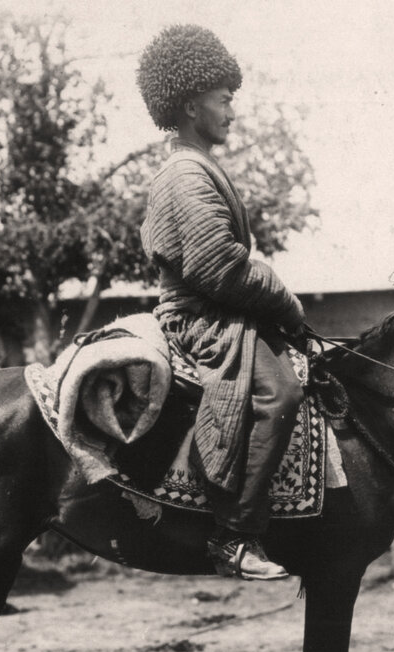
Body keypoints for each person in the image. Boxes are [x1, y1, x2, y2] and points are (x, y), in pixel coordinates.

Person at [137, 25, 306, 580]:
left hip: (218, 310)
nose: (232, 112)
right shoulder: (186, 173)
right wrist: (287, 304)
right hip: (198, 319)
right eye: (224, 99)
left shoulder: (199, 165)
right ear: (191, 104)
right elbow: (221, 270)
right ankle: (236, 536)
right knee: (278, 392)